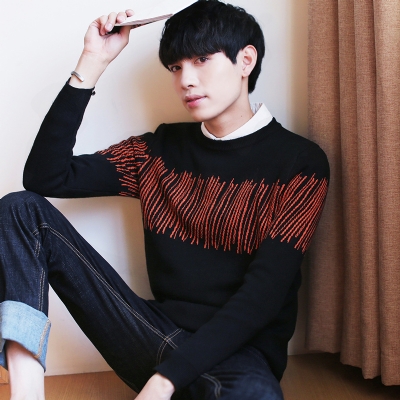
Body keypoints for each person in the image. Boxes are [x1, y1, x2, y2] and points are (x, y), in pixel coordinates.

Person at [0, 0, 329, 399]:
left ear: (245, 60)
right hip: (151, 335)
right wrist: (92, 61)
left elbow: (264, 296)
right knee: (20, 209)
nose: (185, 80)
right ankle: (26, 392)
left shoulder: (299, 162)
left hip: (237, 356)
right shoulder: (156, 150)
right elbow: (44, 176)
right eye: (175, 67)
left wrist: (164, 381)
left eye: (202, 60)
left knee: (255, 395)